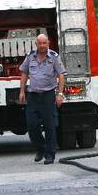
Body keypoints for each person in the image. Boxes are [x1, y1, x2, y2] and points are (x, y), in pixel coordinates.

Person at [19, 34, 66, 165]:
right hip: (33, 96)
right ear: (36, 44)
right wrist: (22, 91)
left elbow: (61, 75)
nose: (43, 46)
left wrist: (60, 94)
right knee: (32, 125)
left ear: (48, 43)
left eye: (45, 43)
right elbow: (24, 73)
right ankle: (41, 148)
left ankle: (50, 155)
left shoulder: (54, 57)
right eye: (40, 43)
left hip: (48, 96)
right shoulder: (30, 57)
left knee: (50, 126)